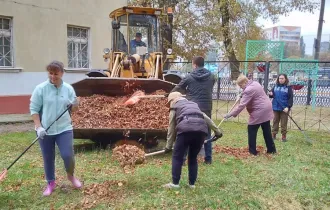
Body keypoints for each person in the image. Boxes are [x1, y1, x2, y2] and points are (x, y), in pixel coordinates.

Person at [30, 61, 82, 196]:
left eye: (56, 74)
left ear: (62, 73)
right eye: (50, 73)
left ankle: (71, 176)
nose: (53, 76)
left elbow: (74, 109)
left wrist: (75, 104)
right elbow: (34, 110)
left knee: (67, 155)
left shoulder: (69, 89)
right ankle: (51, 183)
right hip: (45, 130)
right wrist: (38, 127)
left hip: (65, 128)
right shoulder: (41, 89)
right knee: (48, 157)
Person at [163, 92, 222, 188]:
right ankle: (192, 184)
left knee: (177, 156)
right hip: (201, 131)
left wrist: (168, 146)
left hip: (185, 130)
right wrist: (217, 131)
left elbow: (171, 128)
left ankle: (175, 183)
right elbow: (206, 118)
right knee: (193, 157)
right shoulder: (193, 105)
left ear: (173, 100)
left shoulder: (174, 107)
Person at [172, 56, 216, 164]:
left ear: (195, 65)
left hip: (192, 107)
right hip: (207, 107)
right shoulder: (211, 76)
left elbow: (178, 87)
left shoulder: (189, 77)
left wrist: (170, 94)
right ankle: (208, 158)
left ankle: (182, 160)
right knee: (207, 132)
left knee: (188, 130)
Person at [224, 74, 276, 155]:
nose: (240, 87)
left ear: (245, 82)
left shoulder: (248, 90)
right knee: (266, 130)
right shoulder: (255, 83)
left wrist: (231, 114)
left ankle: (252, 151)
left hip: (259, 110)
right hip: (266, 108)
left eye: (241, 85)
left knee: (251, 129)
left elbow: (242, 105)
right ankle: (271, 150)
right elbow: (252, 94)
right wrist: (243, 93)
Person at [269, 74, 293, 142]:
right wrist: (270, 94)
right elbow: (271, 95)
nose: (281, 80)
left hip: (284, 108)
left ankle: (283, 136)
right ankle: (273, 135)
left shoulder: (288, 88)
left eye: (282, 78)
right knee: (275, 121)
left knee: (284, 123)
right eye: (279, 78)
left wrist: (288, 107)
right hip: (275, 107)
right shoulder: (275, 87)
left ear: (285, 79)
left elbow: (290, 98)